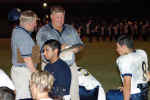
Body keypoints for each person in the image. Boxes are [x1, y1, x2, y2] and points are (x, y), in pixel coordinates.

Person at [36, 5, 83, 100]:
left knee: (73, 92)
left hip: (70, 65)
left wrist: (76, 48)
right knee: (51, 93)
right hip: (50, 66)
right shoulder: (43, 31)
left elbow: (80, 44)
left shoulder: (70, 29)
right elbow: (42, 50)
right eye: (57, 17)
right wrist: (60, 48)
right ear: (51, 16)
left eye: (62, 17)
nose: (60, 20)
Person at [106, 34, 150, 100]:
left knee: (109, 95)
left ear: (124, 47)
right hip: (144, 93)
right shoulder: (142, 53)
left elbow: (127, 84)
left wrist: (128, 91)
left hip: (134, 96)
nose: (117, 50)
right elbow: (148, 76)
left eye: (118, 47)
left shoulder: (123, 59)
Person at [11, 10, 37, 100]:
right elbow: (27, 58)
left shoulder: (20, 32)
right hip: (24, 72)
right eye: (35, 22)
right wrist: (36, 74)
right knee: (25, 98)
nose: (35, 25)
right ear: (29, 23)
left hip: (23, 71)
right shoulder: (22, 35)